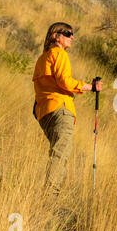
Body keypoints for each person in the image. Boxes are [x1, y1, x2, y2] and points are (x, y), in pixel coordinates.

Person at [32, 22, 103, 198]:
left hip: (44, 112)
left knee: (58, 151)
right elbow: (65, 81)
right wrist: (90, 87)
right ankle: (49, 197)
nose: (72, 37)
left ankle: (50, 194)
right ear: (55, 36)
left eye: (72, 34)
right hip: (60, 108)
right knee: (61, 153)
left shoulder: (42, 58)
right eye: (67, 33)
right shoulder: (59, 54)